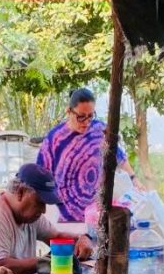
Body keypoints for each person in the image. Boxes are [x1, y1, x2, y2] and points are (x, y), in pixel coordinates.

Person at [0, 162, 93, 274]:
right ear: (20, 192)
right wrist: (46, 262)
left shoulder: (29, 215)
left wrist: (81, 239)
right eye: (40, 202)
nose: (44, 210)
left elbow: (56, 237)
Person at [36, 87, 140, 223]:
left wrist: (134, 179)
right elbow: (40, 174)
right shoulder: (55, 139)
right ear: (69, 111)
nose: (86, 122)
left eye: (90, 116)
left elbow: (118, 156)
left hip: (98, 213)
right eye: (81, 117)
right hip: (67, 217)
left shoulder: (99, 130)